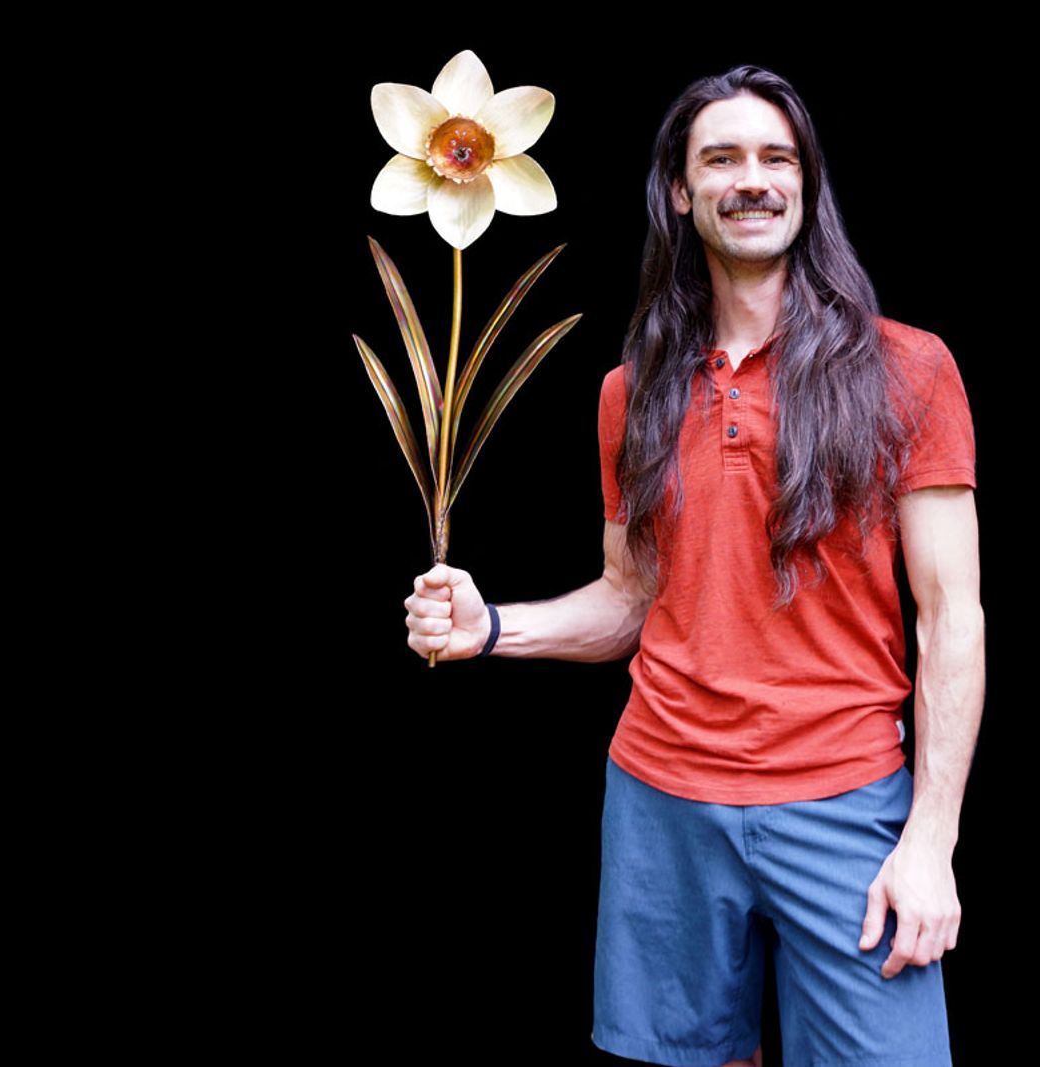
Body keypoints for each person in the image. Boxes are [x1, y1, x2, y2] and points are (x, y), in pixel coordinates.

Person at [403, 65, 982, 1067]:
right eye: (720, 158)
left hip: (844, 804)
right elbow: (631, 598)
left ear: (805, 185)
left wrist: (929, 843)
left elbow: (953, 618)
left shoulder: (909, 368)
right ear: (679, 189)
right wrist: (490, 625)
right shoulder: (631, 390)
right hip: (660, 800)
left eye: (775, 158)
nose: (751, 180)